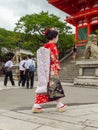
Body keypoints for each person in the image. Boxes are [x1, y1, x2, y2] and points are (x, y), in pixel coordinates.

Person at [32, 28, 67, 113]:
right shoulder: (53, 46)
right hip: (52, 69)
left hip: (45, 70)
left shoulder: (44, 46)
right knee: (54, 87)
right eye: (57, 36)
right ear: (54, 37)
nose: (58, 38)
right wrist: (57, 67)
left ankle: (37, 105)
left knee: (45, 87)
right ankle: (59, 105)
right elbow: (54, 59)